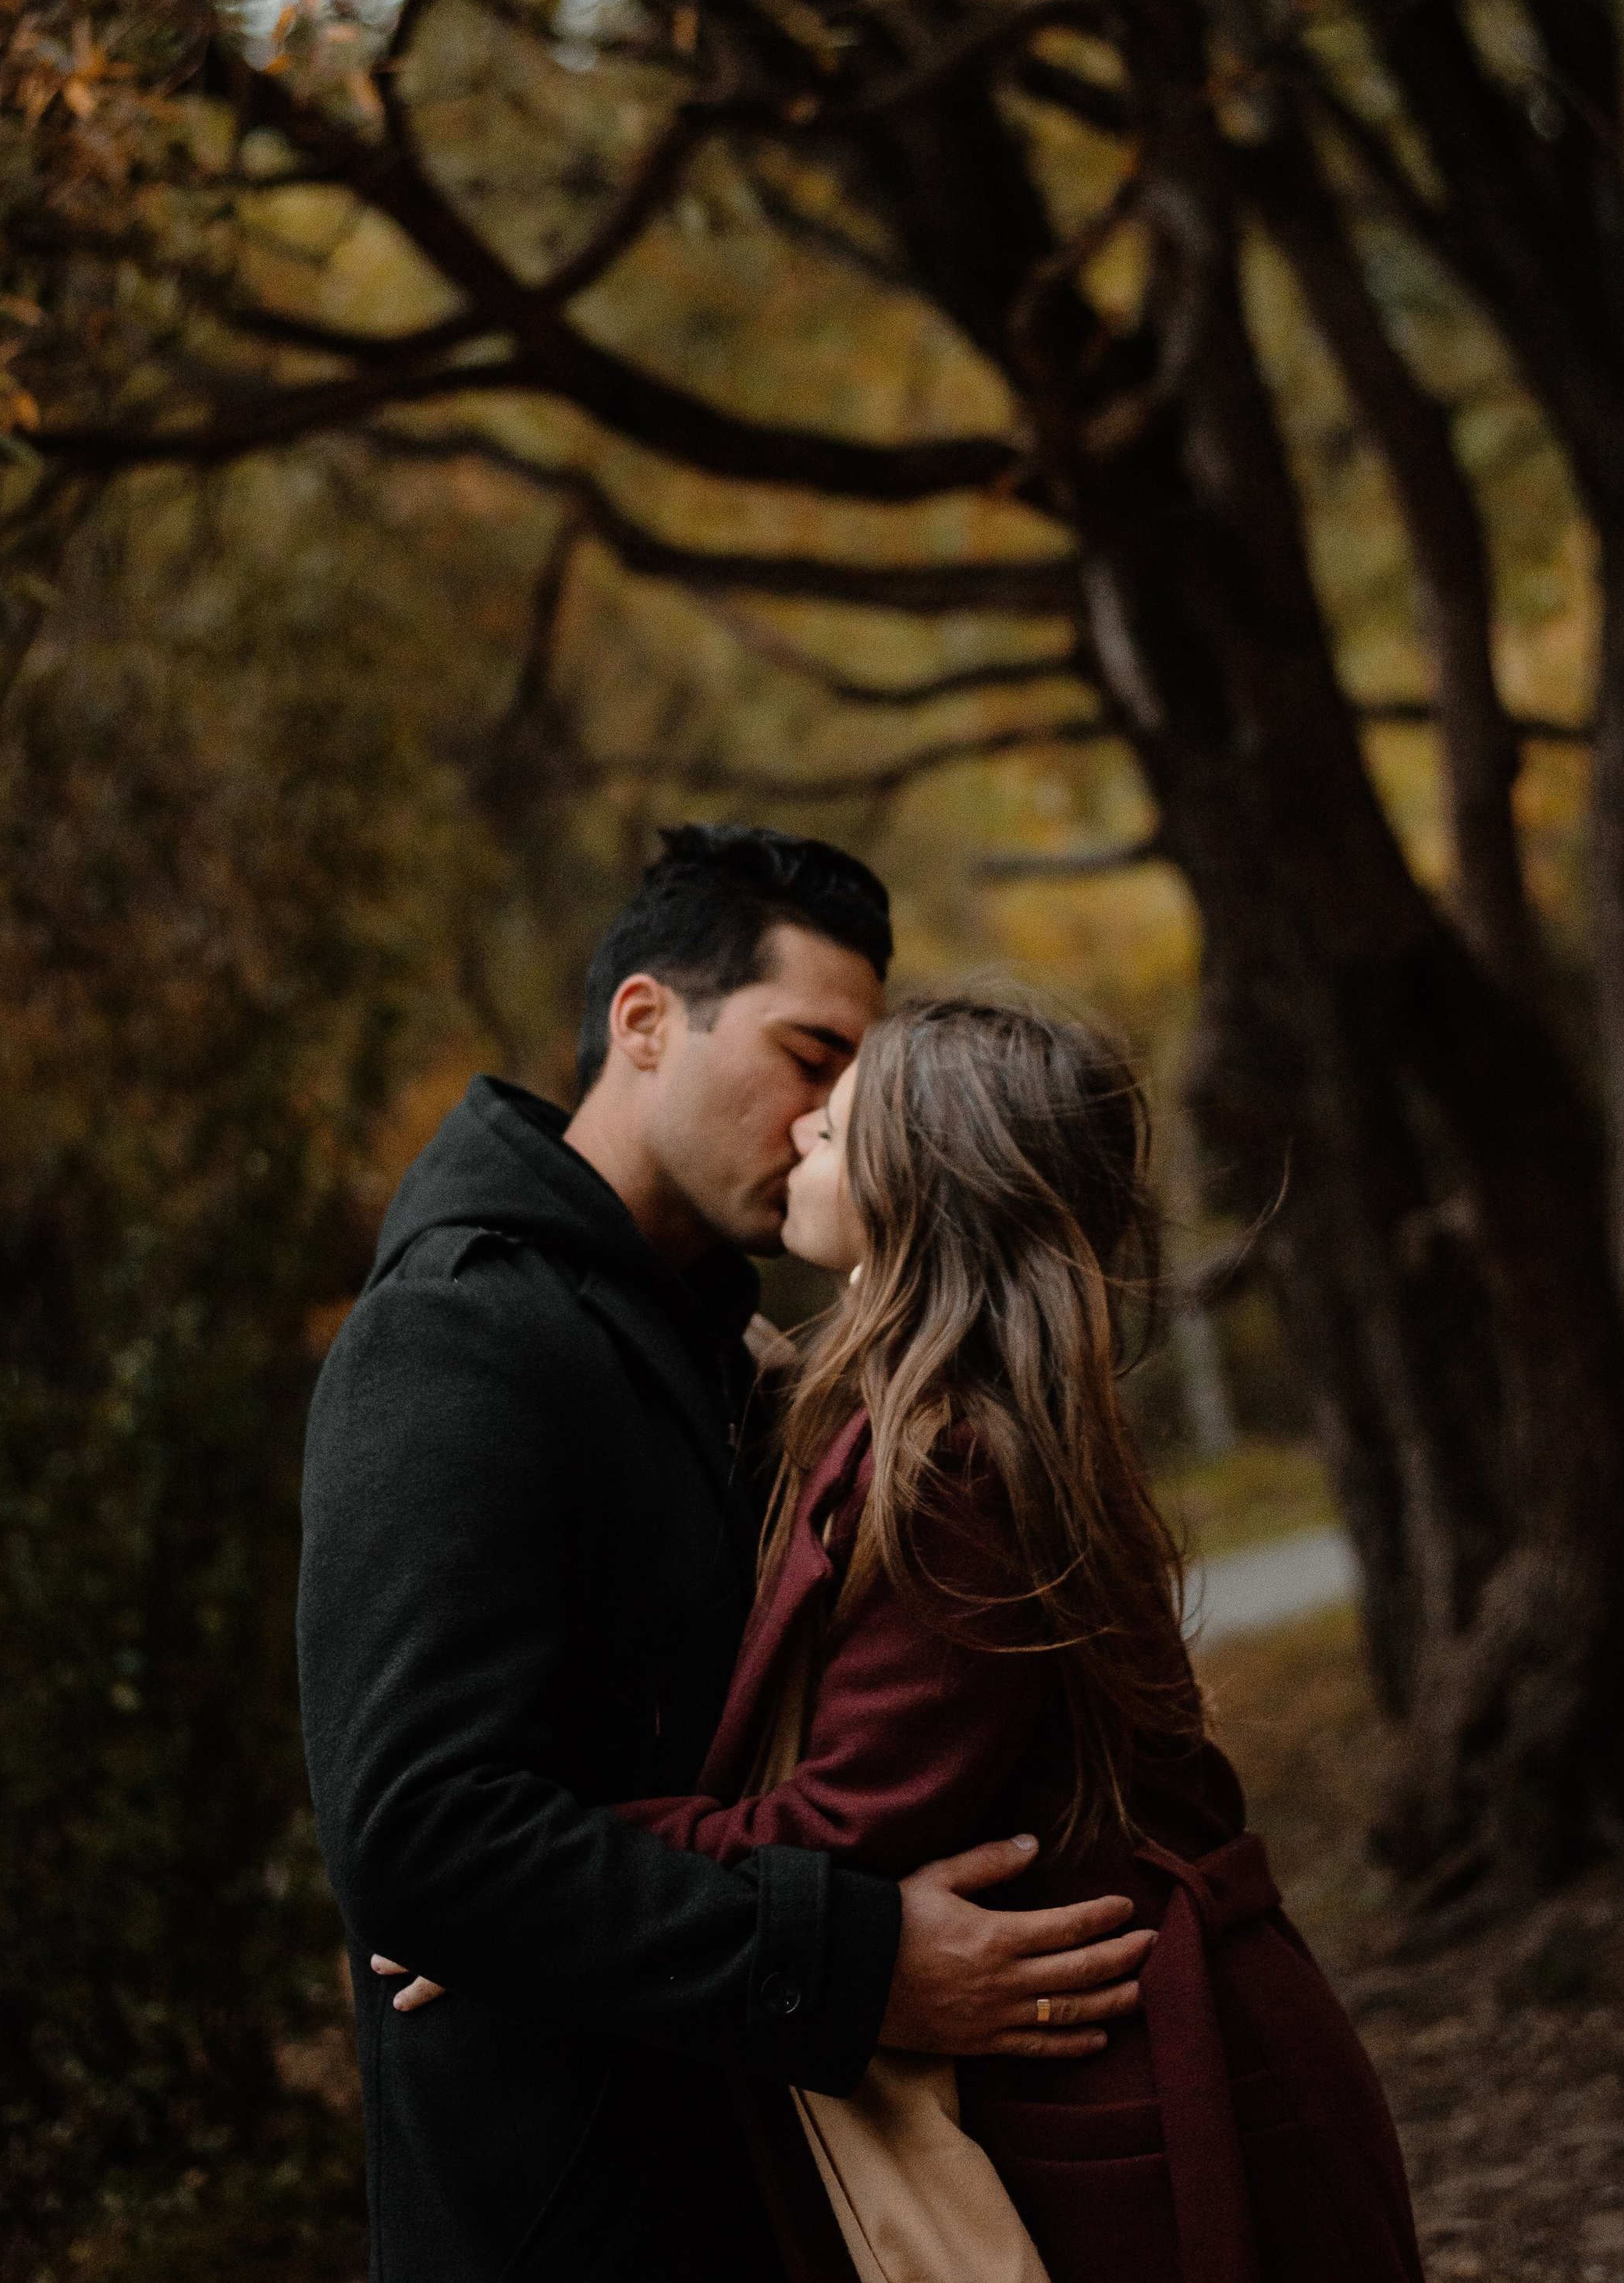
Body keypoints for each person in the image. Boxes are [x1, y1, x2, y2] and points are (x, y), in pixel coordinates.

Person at [433, 992, 1429, 2283]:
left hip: (1154, 2085)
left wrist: (521, 1882)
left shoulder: (960, 1466)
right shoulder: (903, 1419)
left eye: (836, 1133)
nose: (798, 1141)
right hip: (1099, 2070)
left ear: (918, 1191)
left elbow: (847, 1822)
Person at [297, 831, 1155, 2283]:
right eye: (810, 1056)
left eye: (862, 1080)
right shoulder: (457, 1336)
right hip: (565, 2219)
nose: (839, 1116)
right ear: (645, 1024)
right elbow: (421, 1839)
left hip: (762, 2179)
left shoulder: (741, 1353)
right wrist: (866, 1964)